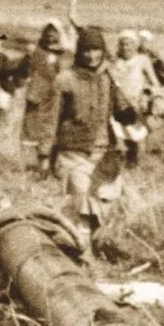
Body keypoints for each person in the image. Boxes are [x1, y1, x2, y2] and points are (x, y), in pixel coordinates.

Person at [50, 25, 139, 253]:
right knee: (79, 199)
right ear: (79, 52)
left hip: (104, 152)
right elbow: (51, 118)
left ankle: (95, 246)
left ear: (103, 51)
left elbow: (122, 109)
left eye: (96, 50)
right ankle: (82, 252)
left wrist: (135, 114)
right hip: (73, 150)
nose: (91, 56)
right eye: (86, 51)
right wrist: (45, 151)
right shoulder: (66, 79)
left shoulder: (108, 77)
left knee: (103, 201)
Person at [20, 22, 68, 171]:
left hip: (56, 98)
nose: (50, 35)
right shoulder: (37, 52)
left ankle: (53, 165)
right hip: (37, 96)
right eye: (48, 32)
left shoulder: (65, 54)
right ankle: (43, 167)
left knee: (54, 131)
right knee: (36, 131)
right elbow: (24, 71)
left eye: (54, 32)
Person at [111, 30, 161, 165]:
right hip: (119, 106)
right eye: (122, 44)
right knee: (119, 138)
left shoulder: (142, 60)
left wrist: (149, 95)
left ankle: (135, 166)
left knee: (136, 138)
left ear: (135, 45)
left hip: (137, 106)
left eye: (129, 44)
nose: (126, 47)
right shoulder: (115, 62)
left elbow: (154, 82)